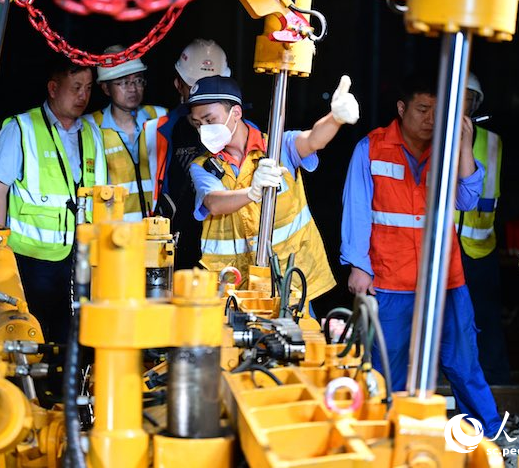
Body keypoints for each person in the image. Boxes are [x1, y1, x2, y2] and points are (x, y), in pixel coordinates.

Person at [340, 75, 502, 437]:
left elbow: (466, 199)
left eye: (437, 111)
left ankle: (487, 436)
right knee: (387, 364)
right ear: (402, 109)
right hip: (390, 276)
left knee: (463, 363)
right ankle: (387, 435)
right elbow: (356, 209)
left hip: (445, 279)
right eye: (422, 109)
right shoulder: (372, 147)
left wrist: (463, 146)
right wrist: (358, 266)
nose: (431, 118)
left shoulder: (447, 151)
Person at [189, 74, 360, 303]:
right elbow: (213, 202)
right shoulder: (203, 166)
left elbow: (312, 140)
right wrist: (251, 192)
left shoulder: (279, 147)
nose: (204, 129)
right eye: (198, 123)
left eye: (210, 120)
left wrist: (335, 119)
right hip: (232, 287)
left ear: (236, 113)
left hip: (290, 284)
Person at [0, 58, 105, 343]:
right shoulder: (21, 128)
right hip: (30, 259)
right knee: (28, 336)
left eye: (88, 88)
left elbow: (102, 196)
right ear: (53, 88)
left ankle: (65, 385)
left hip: (78, 258)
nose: (83, 96)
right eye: (76, 87)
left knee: (71, 339)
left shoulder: (91, 133)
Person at [145, 39, 231, 269]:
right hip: (176, 248)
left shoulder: (241, 131)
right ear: (178, 84)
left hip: (224, 247)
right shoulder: (158, 131)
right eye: (195, 87)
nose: (201, 95)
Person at [453, 73, 510, 385]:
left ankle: (498, 382)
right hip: (444, 246)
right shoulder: (433, 138)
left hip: (481, 247)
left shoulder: (492, 141)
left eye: (470, 98)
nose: (466, 103)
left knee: (486, 319)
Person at [84, 45, 166, 222]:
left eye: (137, 80)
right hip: (115, 233)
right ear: (106, 88)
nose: (132, 89)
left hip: (156, 230)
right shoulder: (91, 127)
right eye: (122, 82)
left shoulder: (159, 118)